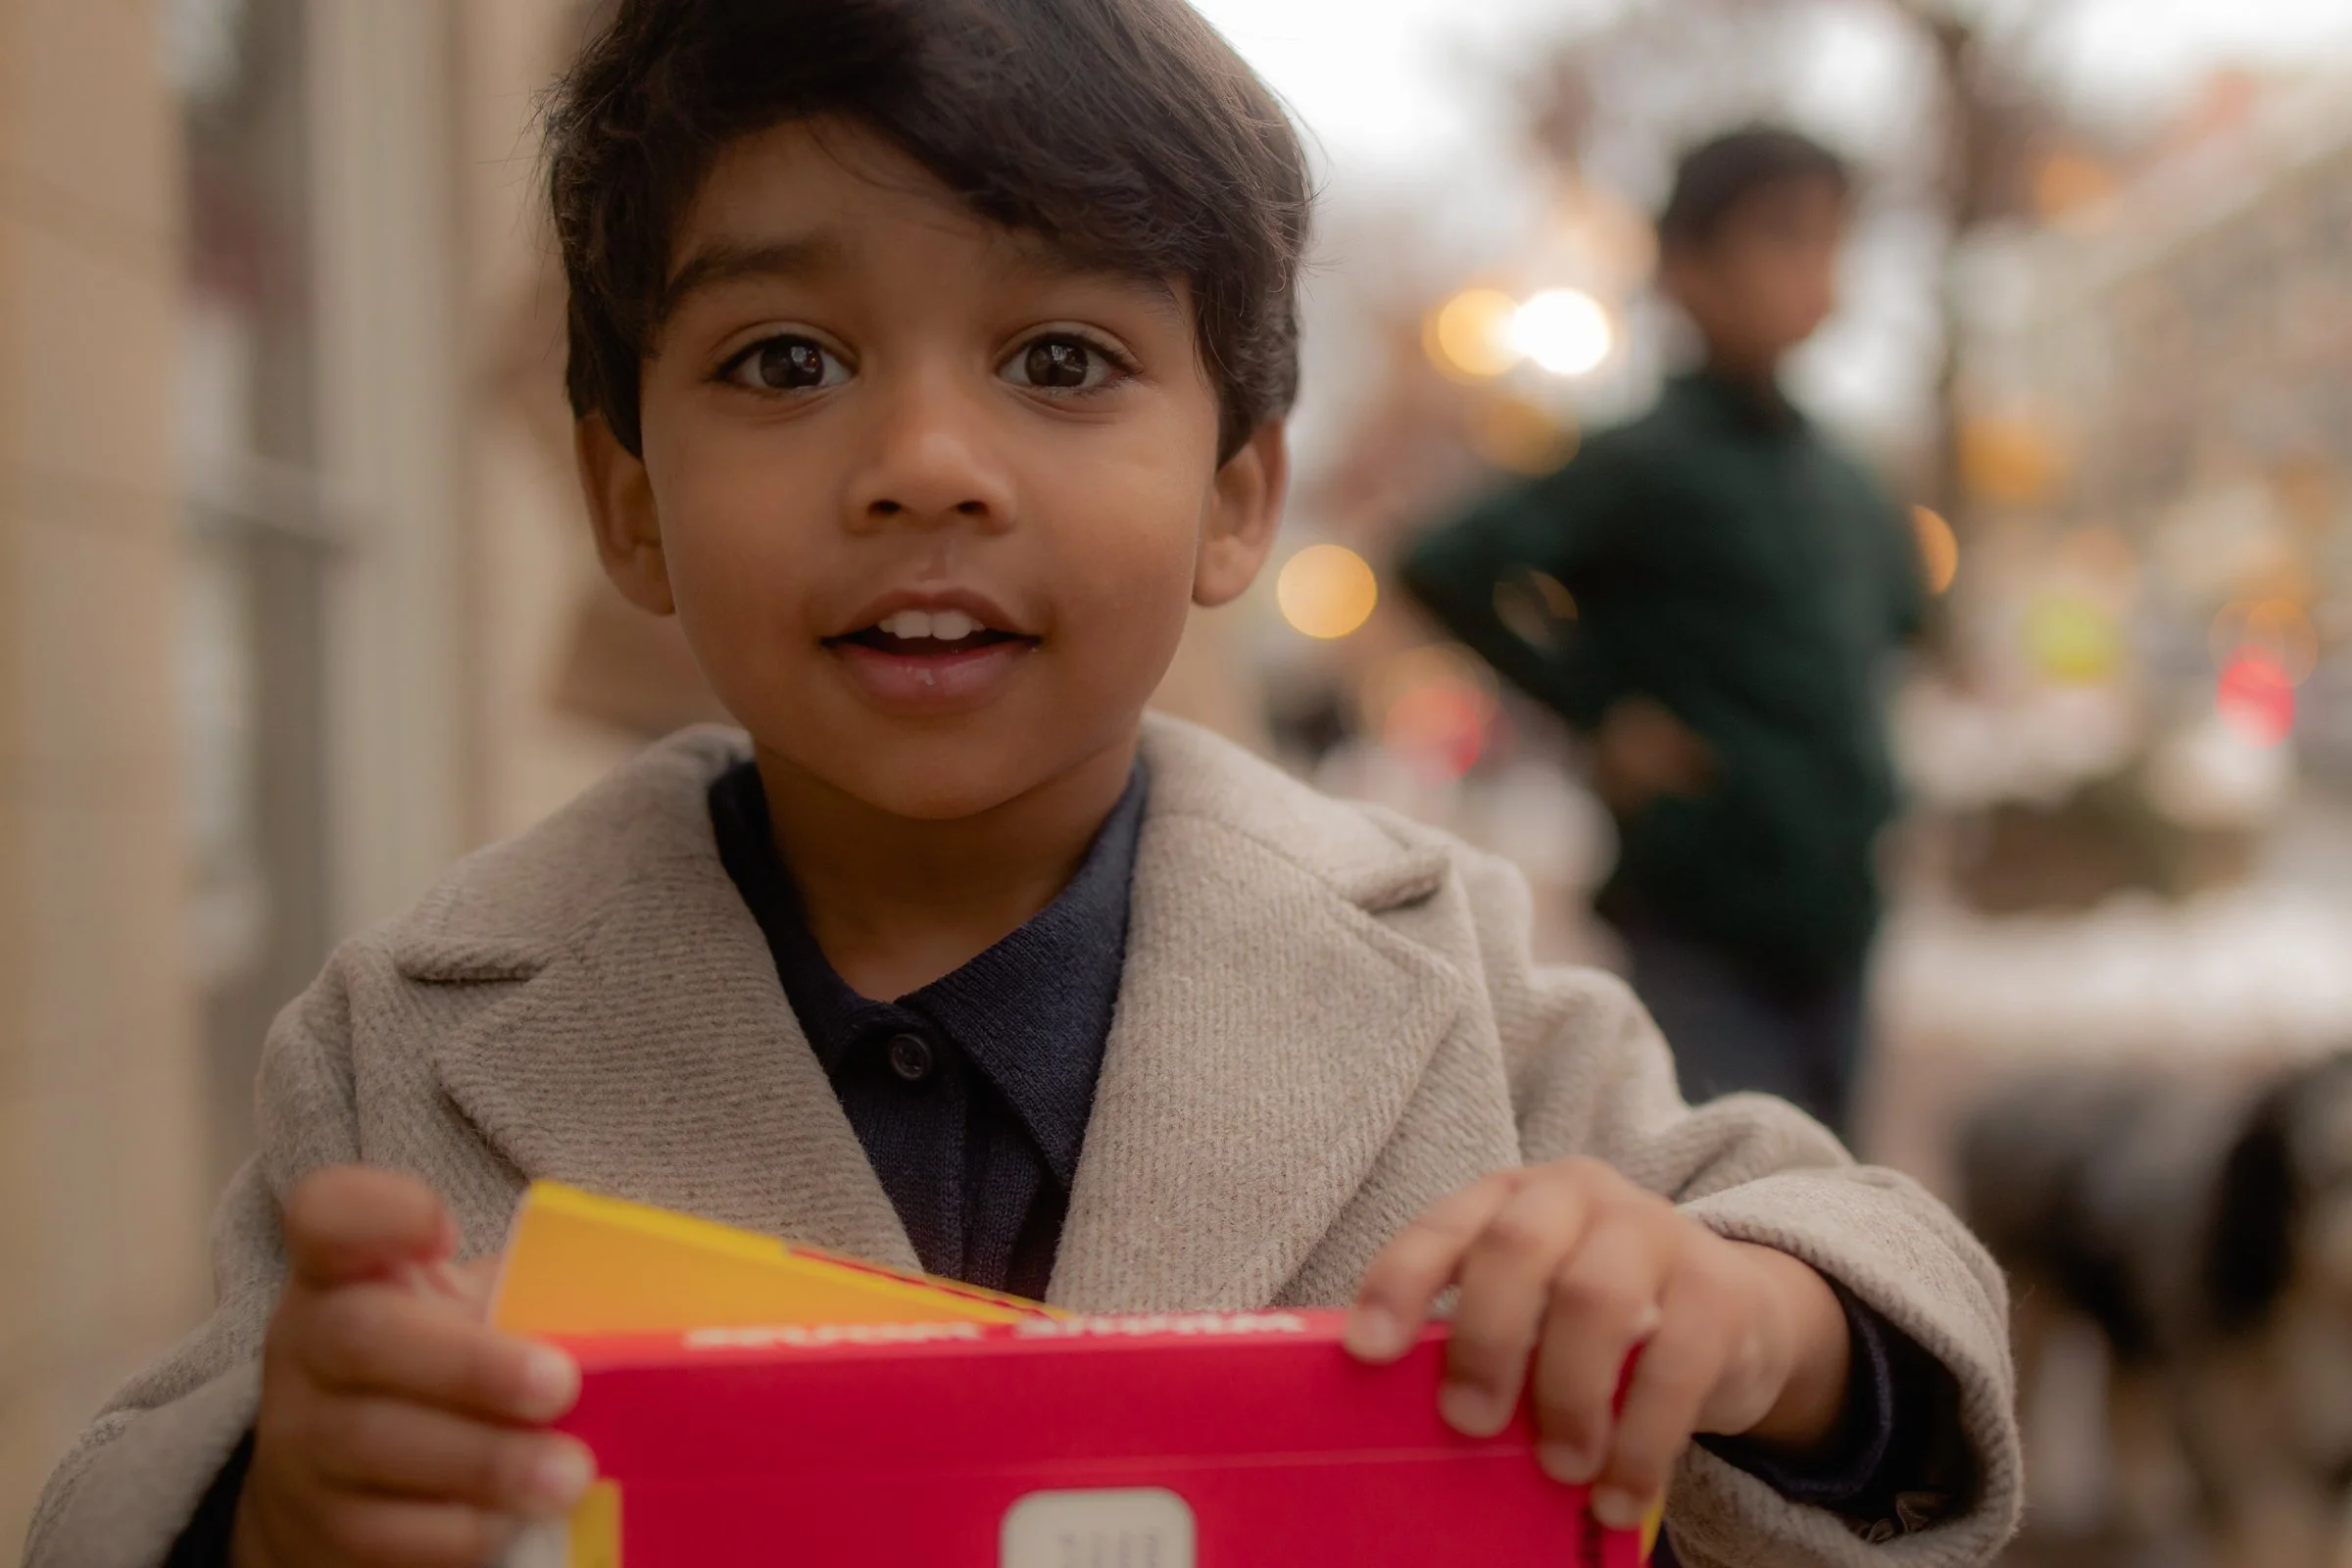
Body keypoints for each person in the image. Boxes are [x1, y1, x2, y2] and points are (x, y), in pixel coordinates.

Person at [24, 22, 2010, 1568]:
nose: (924, 462)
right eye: (786, 358)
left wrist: (1742, 1315)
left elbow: (1885, 1293)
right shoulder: (408, 1043)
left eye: (1059, 357)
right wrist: (282, 1504)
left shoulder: (1449, 975)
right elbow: (131, 1487)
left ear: (1241, 491)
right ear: (626, 495)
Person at [1402, 128, 1924, 1140]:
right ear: (1688, 269)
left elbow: (1896, 634)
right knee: (1730, 1190)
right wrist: (1601, 709)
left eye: (1832, 241)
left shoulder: (1850, 481)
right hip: (1700, 913)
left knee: (1845, 1201)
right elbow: (1447, 562)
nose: (1816, 270)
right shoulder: (1643, 461)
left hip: (1842, 918)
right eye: (1783, 237)